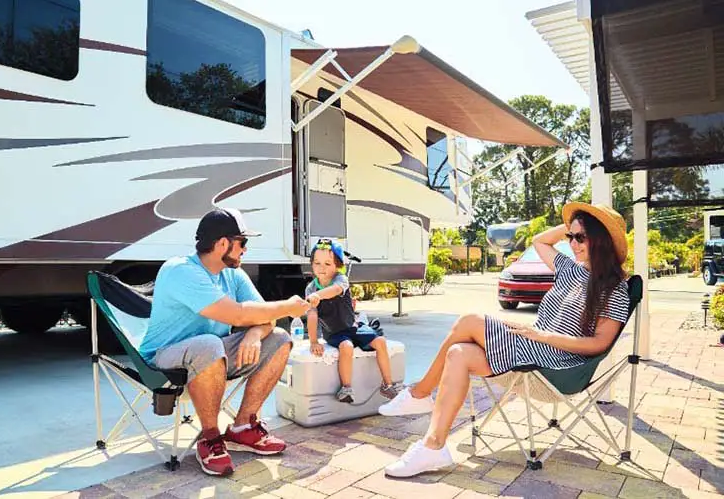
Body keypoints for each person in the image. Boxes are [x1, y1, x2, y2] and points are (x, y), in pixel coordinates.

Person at [379, 202, 631, 478]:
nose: (572, 244)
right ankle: (434, 446)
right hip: (533, 347)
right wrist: (574, 224)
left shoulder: (614, 289)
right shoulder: (574, 270)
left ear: (602, 239)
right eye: (570, 237)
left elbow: (599, 344)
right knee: (459, 353)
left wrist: (543, 336)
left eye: (580, 238)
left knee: (470, 321)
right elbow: (540, 241)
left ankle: (419, 393)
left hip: (555, 366)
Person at [138, 207, 310, 477]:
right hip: (163, 359)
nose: (245, 250)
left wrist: (254, 333)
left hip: (212, 355)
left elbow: (263, 316)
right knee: (208, 343)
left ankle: (242, 427)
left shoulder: (233, 274)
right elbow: (238, 314)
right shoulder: (181, 271)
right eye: (242, 243)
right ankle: (209, 437)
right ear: (222, 244)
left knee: (279, 338)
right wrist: (288, 306)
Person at [304, 238, 404, 403]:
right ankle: (346, 388)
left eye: (328, 264)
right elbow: (312, 315)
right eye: (317, 263)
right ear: (312, 264)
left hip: (353, 326)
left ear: (338, 266)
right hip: (334, 332)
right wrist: (314, 341)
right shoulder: (311, 288)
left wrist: (318, 296)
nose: (321, 268)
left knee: (380, 341)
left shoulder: (340, 280)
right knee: (346, 346)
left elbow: (336, 290)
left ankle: (387, 384)